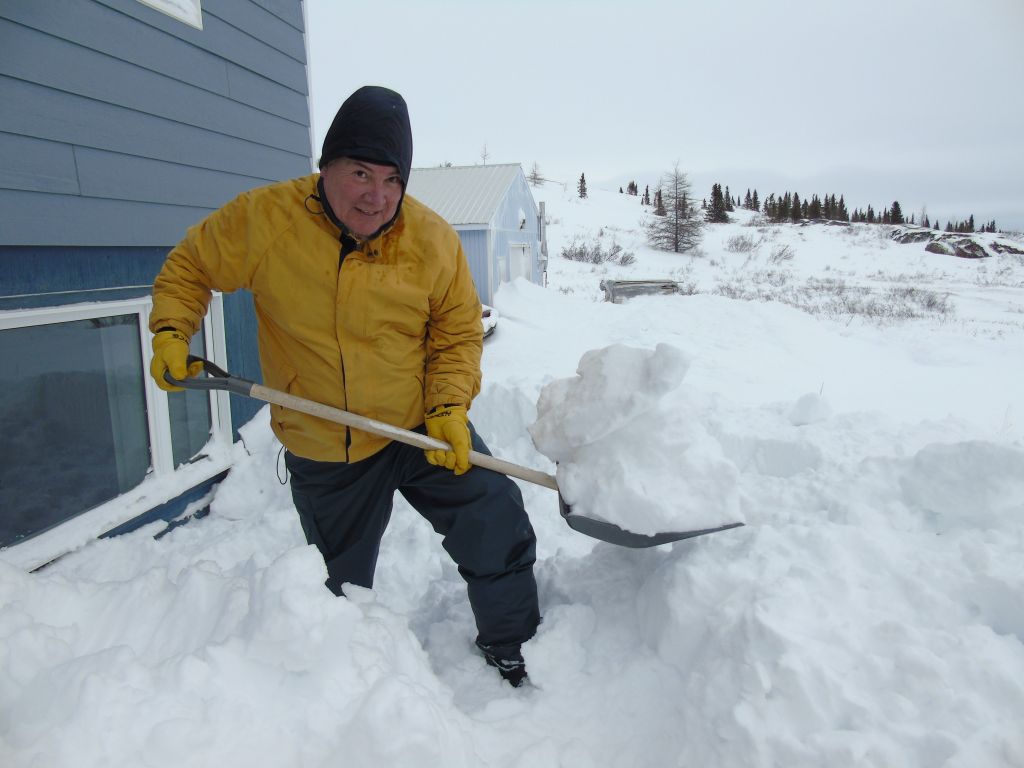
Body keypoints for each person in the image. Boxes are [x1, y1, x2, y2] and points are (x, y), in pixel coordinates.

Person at [148, 85, 540, 687]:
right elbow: (192, 265)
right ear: (326, 166)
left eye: (391, 179)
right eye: (360, 173)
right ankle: (346, 689)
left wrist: (448, 405)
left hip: (419, 423)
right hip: (326, 440)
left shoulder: (431, 240)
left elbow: (458, 331)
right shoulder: (266, 220)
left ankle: (512, 646)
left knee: (495, 516)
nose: (376, 196)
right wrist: (174, 330)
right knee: (338, 586)